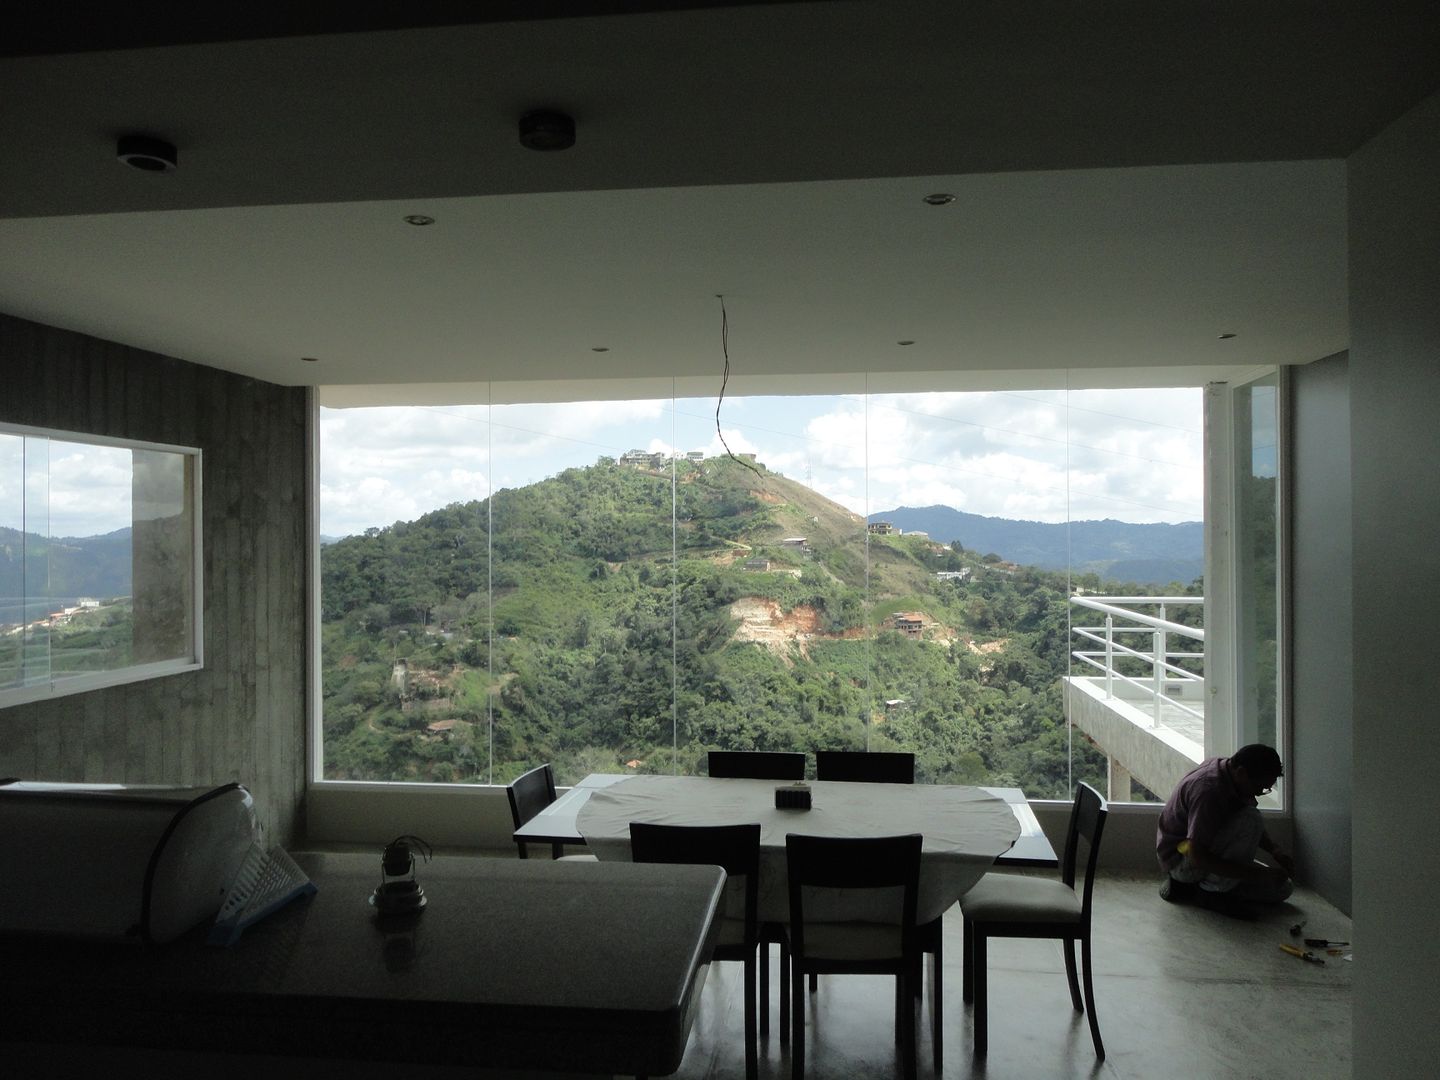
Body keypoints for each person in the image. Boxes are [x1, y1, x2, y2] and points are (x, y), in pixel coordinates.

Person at [1157, 743, 1294, 910]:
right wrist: (1258, 875)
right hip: (1181, 863)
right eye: (1260, 787)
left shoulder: (1228, 770)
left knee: (1283, 888)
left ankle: (1206, 887)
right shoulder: (1209, 792)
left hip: (1199, 851)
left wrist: (1274, 850)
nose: (1259, 793)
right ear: (1242, 772)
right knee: (1251, 817)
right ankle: (1211, 893)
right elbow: (1197, 856)